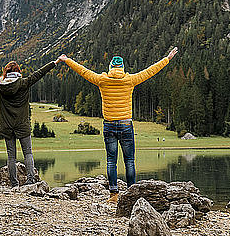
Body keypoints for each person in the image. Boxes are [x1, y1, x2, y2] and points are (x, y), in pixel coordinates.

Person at [58, 47, 178, 203]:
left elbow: (83, 71)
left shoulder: (102, 80)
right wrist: (167, 59)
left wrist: (67, 60)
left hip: (109, 125)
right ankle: (131, 194)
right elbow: (150, 71)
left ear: (110, 67)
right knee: (129, 161)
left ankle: (114, 195)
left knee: (111, 161)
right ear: (122, 68)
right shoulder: (130, 80)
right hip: (126, 125)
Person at [0, 39, 63, 186]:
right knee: (28, 153)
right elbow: (40, 73)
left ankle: (14, 183)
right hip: (22, 124)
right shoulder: (24, 83)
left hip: (6, 125)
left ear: (6, 72)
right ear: (18, 72)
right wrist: (55, 62)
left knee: (11, 156)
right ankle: (31, 181)